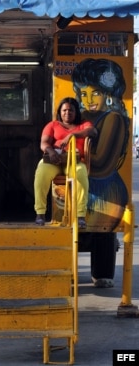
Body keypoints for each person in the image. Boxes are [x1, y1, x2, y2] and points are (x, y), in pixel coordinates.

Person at [72, 58, 130, 288]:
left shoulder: (113, 119)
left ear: (107, 92)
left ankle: (102, 271)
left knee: (101, 233)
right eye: (83, 94)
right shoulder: (85, 118)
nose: (88, 100)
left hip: (104, 192)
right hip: (84, 186)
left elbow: (102, 162)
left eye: (95, 93)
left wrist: (70, 154)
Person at [34, 97, 97, 228]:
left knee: (80, 173)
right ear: (60, 112)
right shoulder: (53, 125)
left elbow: (93, 132)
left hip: (75, 161)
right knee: (41, 172)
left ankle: (80, 216)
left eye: (71, 110)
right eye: (64, 110)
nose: (67, 113)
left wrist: (73, 136)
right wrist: (51, 152)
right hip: (54, 161)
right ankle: (40, 213)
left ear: (76, 112)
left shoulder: (83, 124)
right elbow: (44, 143)